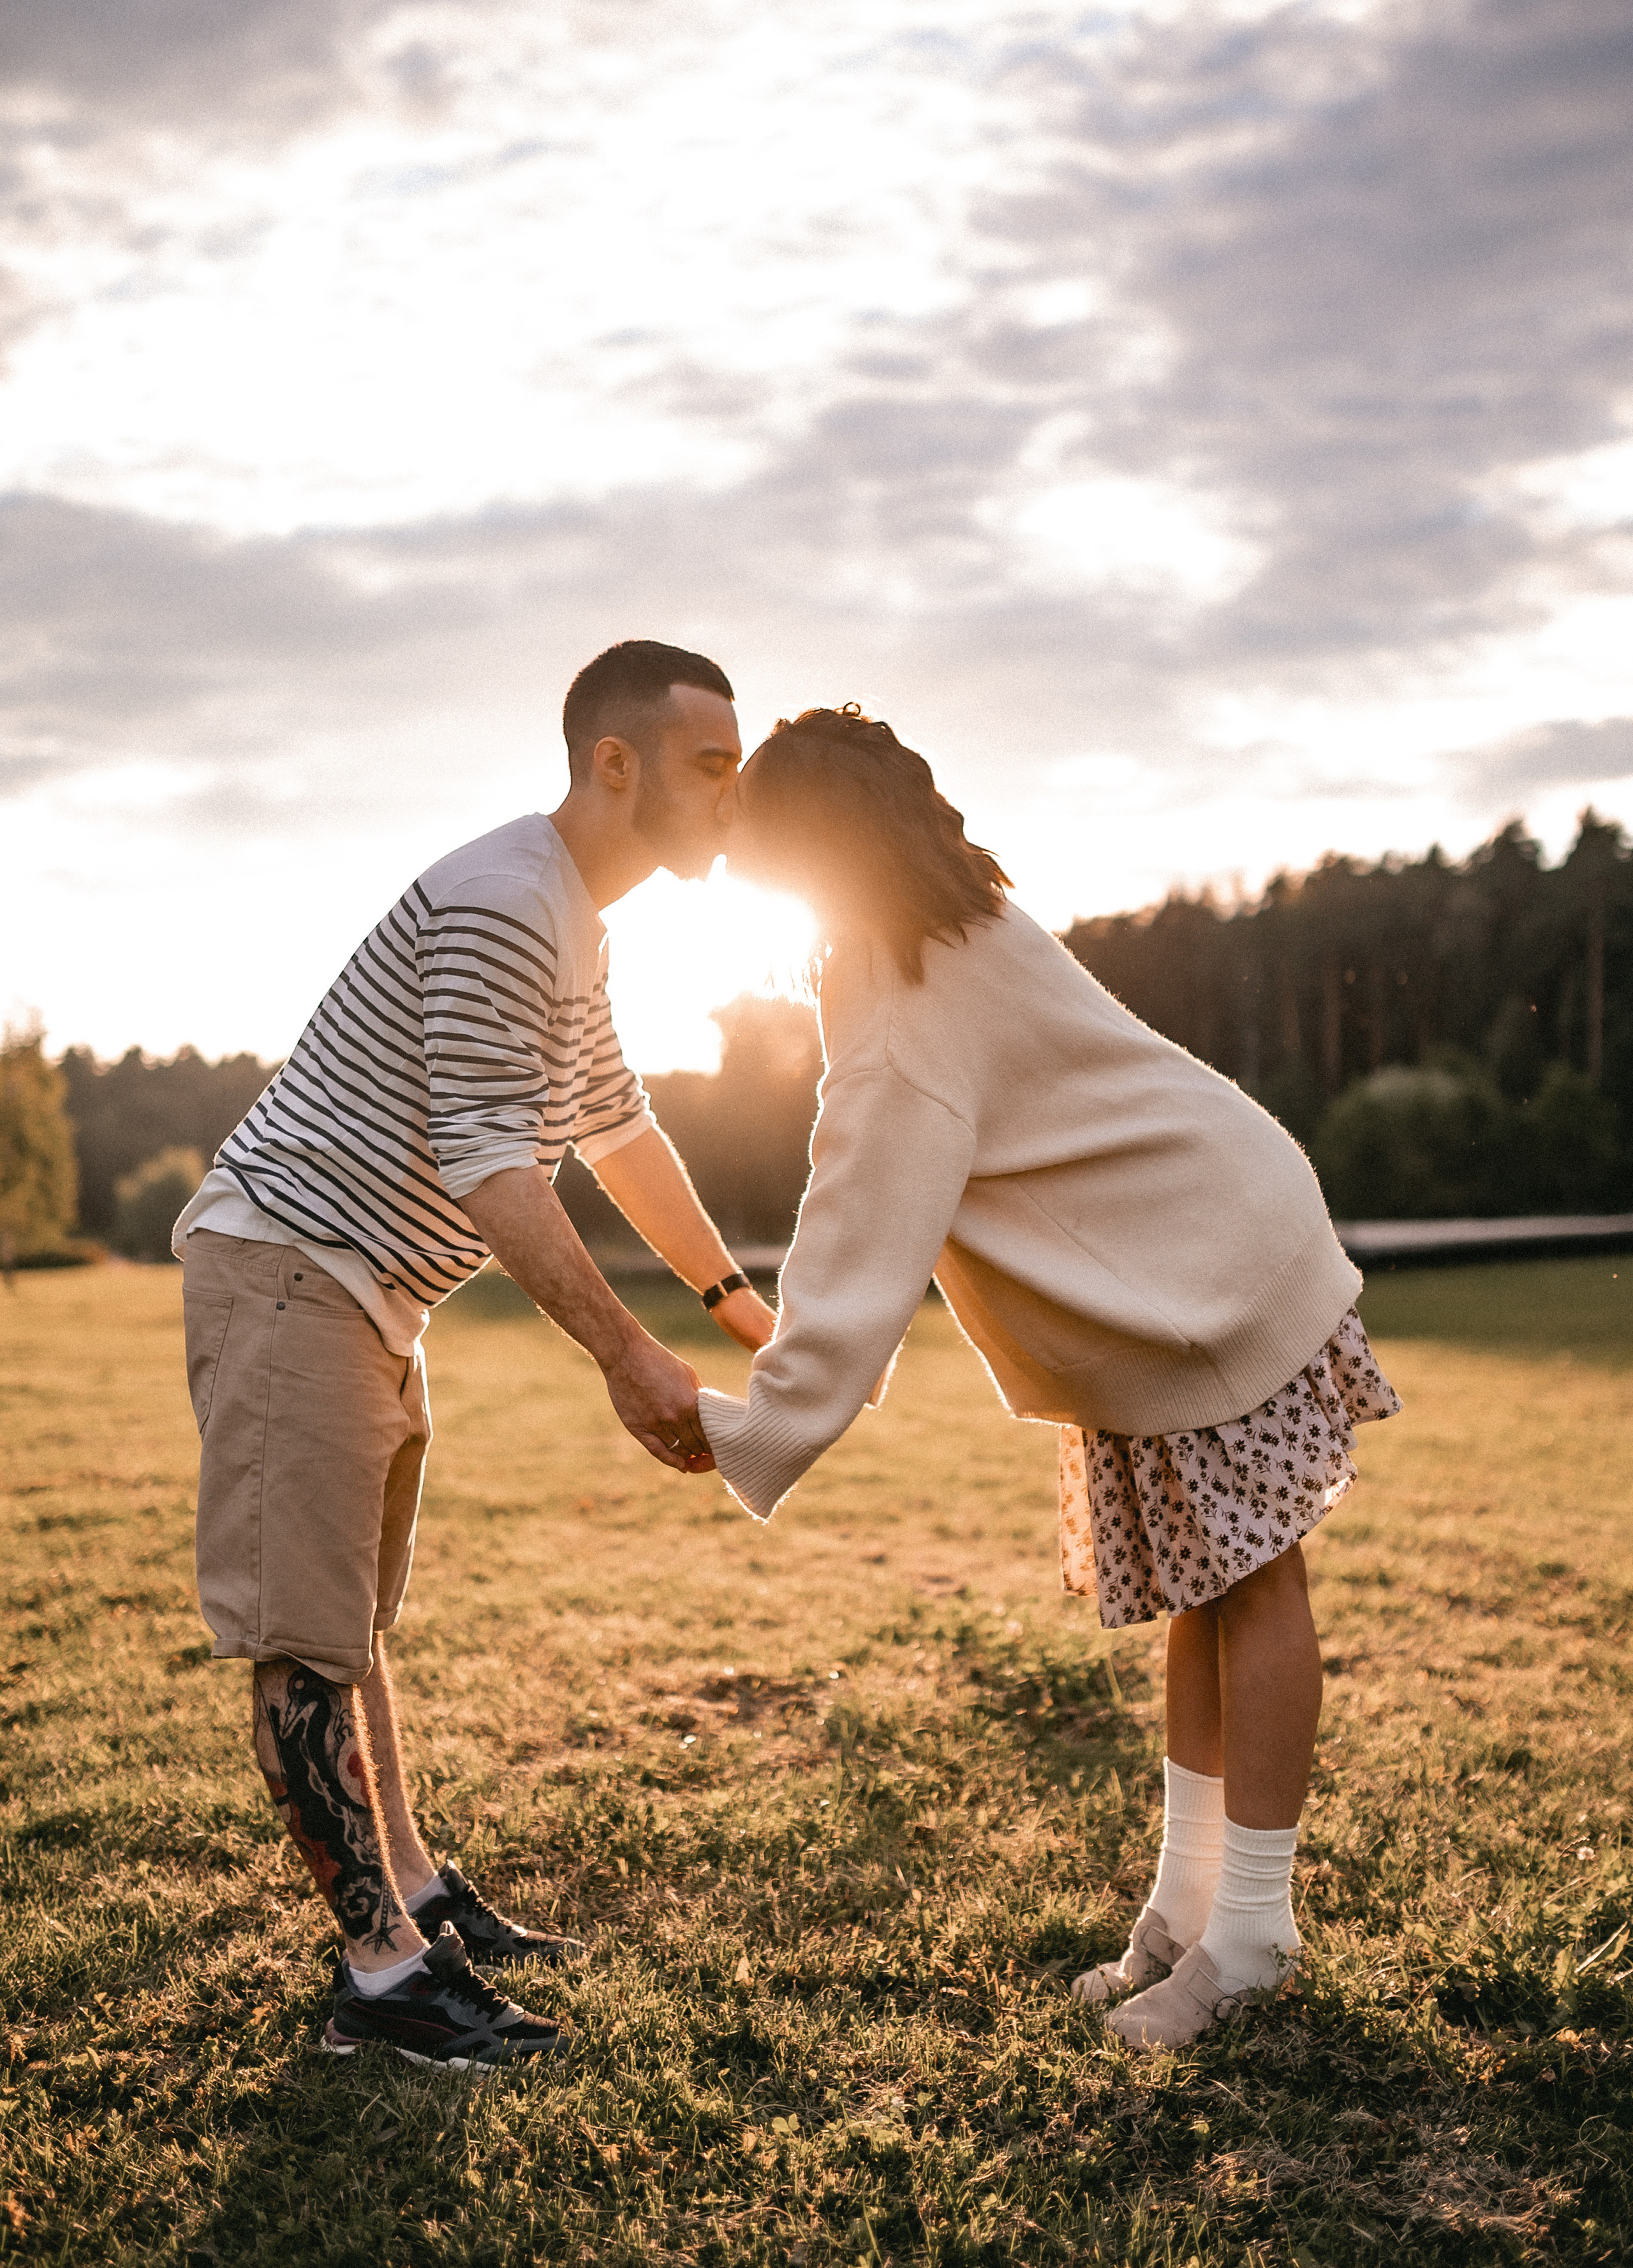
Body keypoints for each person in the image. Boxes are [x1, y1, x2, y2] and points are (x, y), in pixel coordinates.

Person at [693, 705, 1400, 2053]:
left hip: (1198, 1276)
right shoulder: (963, 917)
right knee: (1208, 1592)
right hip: (1181, 1263)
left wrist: (756, 1421)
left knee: (1251, 1590)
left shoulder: (901, 992)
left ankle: (1248, 1936)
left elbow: (857, 1223)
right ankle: (1186, 1911)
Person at [174, 641, 775, 2070]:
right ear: (613, 764)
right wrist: (630, 1359)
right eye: (710, 764)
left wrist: (735, 1303)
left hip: (369, 1290)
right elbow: (500, 1167)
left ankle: (418, 1895)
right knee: (307, 1641)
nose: (732, 795)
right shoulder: (511, 903)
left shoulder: (578, 918)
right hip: (293, 1269)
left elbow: (614, 1128)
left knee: (354, 1625)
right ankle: (381, 1984)